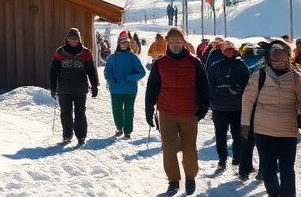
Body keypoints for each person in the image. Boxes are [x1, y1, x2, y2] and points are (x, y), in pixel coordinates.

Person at [144, 26, 210, 196]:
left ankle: (190, 176)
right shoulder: (160, 63)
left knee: (189, 148)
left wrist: (203, 106)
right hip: (166, 112)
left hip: (188, 112)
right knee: (169, 148)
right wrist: (149, 108)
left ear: (183, 42)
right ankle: (173, 181)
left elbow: (204, 87)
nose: (175, 44)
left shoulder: (194, 62)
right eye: (172, 41)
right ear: (167, 42)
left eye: (178, 41)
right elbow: (152, 88)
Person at [241, 38, 301, 196]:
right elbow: (248, 99)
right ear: (269, 58)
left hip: (288, 130)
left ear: (288, 57)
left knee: (287, 169)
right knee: (268, 168)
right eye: (274, 58)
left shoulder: (296, 77)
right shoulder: (260, 75)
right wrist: (245, 124)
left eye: (282, 57)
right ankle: (274, 193)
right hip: (263, 131)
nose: (278, 61)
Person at [208, 39, 253, 176]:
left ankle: (237, 158)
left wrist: (238, 89)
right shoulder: (214, 66)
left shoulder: (241, 65)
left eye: (231, 50)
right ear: (222, 51)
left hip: (237, 108)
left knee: (238, 136)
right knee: (220, 136)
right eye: (227, 50)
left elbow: (248, 83)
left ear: (235, 51)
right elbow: (209, 85)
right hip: (219, 108)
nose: (229, 52)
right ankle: (222, 160)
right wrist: (218, 91)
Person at [50, 26, 100, 146]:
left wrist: (94, 85)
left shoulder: (86, 53)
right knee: (65, 112)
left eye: (75, 39)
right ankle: (67, 134)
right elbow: (53, 71)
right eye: (71, 39)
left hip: (80, 89)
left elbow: (91, 71)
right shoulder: (60, 53)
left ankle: (81, 136)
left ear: (79, 40)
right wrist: (53, 87)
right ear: (67, 39)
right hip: (64, 89)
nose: (73, 41)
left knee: (80, 113)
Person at [104, 30, 147, 138]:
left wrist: (131, 78)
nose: (124, 45)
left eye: (126, 43)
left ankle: (128, 131)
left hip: (130, 89)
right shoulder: (112, 58)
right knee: (116, 109)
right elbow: (107, 71)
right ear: (118, 43)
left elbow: (142, 72)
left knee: (129, 110)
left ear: (129, 44)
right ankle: (119, 128)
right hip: (116, 88)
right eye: (122, 43)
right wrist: (110, 79)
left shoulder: (133, 57)